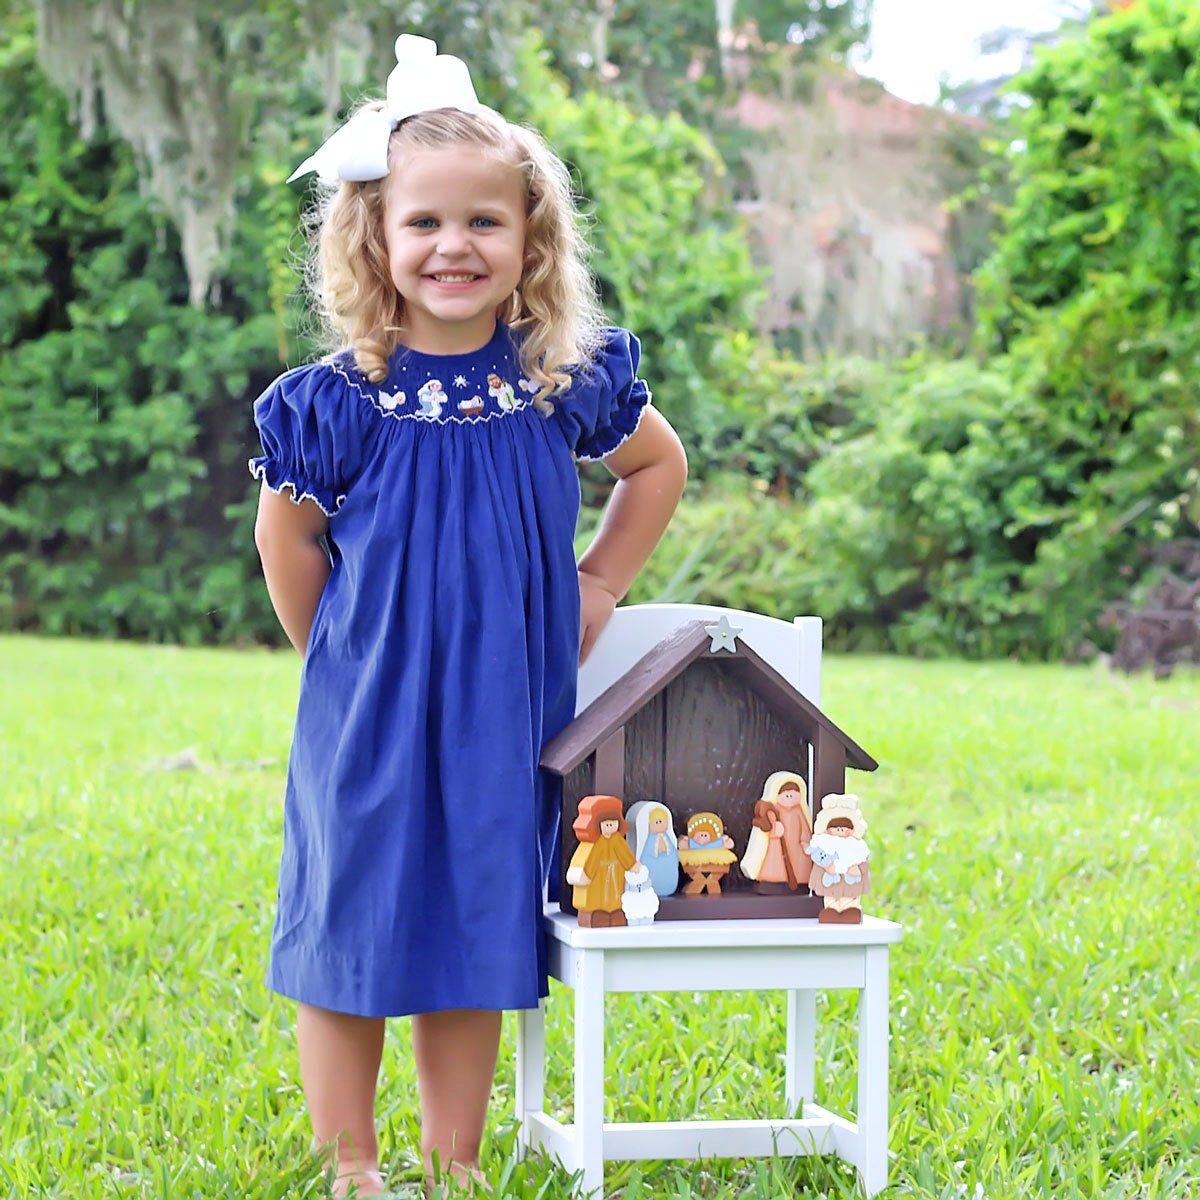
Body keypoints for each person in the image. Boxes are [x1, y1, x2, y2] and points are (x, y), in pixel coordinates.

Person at [249, 35, 687, 1198]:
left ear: (530, 237)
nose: (454, 246)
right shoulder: (338, 399)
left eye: (484, 223)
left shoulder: (560, 379)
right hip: (367, 709)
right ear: (375, 240)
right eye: (424, 223)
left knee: (474, 925)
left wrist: (597, 584)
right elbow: (286, 540)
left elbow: (657, 469)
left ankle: (454, 1164)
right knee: (349, 929)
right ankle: (353, 1166)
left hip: (507, 711)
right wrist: (333, 656)